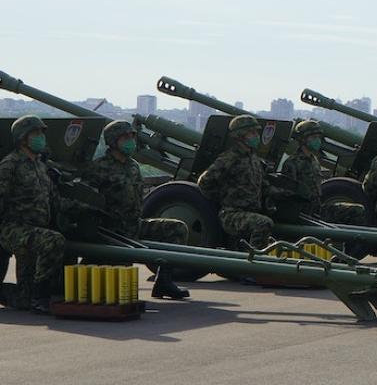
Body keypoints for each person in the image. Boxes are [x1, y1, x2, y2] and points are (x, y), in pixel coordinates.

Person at [81, 120, 190, 299]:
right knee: (119, 290)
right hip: (112, 231)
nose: (130, 140)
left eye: (132, 136)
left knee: (177, 228)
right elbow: (86, 198)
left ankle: (164, 281)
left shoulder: (133, 166)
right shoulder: (98, 168)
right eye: (125, 137)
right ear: (113, 141)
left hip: (134, 225)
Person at [0, 115, 66, 313]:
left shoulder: (40, 165)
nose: (41, 138)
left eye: (41, 133)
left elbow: (54, 199)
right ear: (22, 138)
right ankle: (41, 297)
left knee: (23, 299)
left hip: (34, 230)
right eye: (35, 133)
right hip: (13, 228)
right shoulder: (9, 165)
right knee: (54, 240)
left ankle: (26, 296)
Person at [197, 115, 273, 249]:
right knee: (263, 224)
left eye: (256, 132)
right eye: (252, 133)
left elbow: (263, 186)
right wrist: (222, 198)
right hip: (232, 214)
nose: (256, 136)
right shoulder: (229, 158)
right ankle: (254, 263)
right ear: (240, 135)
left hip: (251, 212)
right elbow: (204, 182)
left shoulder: (254, 159)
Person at [278, 120, 367, 224]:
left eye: (318, 137)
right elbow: (288, 195)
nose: (318, 141)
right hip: (303, 212)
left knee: (357, 210)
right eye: (314, 137)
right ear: (302, 140)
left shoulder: (314, 160)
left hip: (317, 208)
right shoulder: (292, 163)